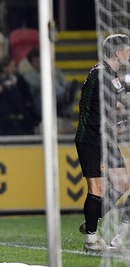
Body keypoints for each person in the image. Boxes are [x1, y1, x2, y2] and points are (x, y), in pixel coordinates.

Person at [75, 33, 130, 253]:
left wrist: (118, 120)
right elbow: (125, 101)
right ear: (118, 52)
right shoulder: (102, 73)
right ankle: (91, 239)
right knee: (96, 188)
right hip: (91, 138)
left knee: (122, 183)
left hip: (105, 137)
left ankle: (92, 219)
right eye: (128, 49)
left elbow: (115, 106)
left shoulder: (109, 74)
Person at [0, 56, 37, 135]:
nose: (14, 68)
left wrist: (28, 101)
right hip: (0, 109)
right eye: (11, 66)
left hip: (20, 108)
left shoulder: (18, 78)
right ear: (4, 68)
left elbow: (26, 92)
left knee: (14, 91)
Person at [20, 48, 67, 119]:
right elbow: (39, 85)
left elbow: (62, 81)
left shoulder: (53, 71)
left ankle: (64, 103)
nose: (39, 62)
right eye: (36, 61)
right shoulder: (28, 75)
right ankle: (63, 95)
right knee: (51, 84)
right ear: (31, 63)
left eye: (40, 60)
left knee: (66, 86)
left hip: (53, 97)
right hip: (37, 102)